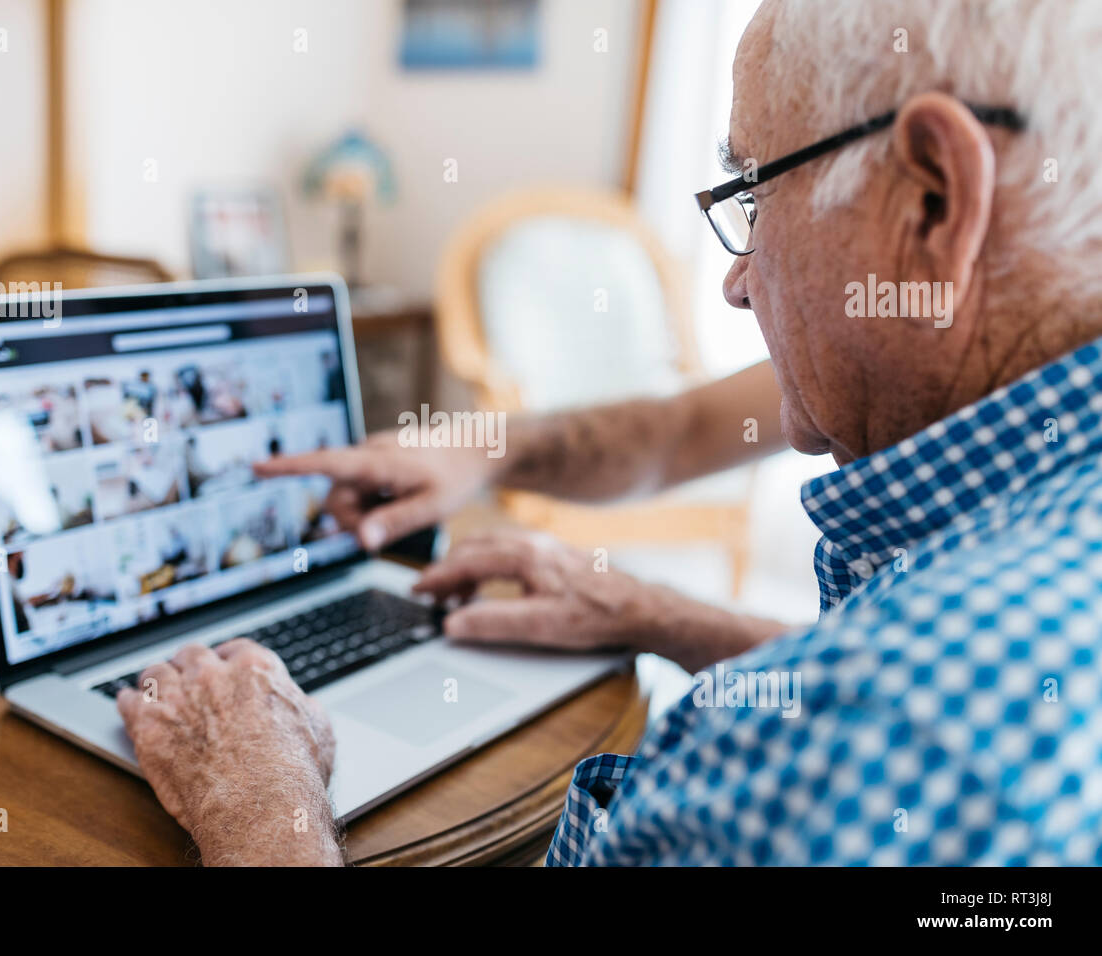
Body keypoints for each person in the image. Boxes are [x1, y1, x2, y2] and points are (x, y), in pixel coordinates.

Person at [115, 0, 1102, 865]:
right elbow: (676, 432)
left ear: (933, 200)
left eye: (753, 194)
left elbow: (873, 713)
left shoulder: (860, 740)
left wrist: (266, 811)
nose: (736, 273)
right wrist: (657, 607)